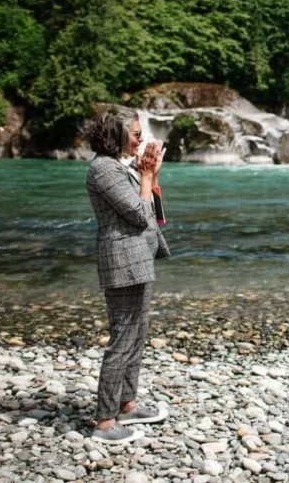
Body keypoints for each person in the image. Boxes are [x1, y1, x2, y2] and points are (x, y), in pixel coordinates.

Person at [85, 106, 171, 443]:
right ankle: (104, 422)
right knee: (122, 339)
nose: (140, 139)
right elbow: (138, 213)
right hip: (122, 261)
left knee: (137, 336)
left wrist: (154, 175)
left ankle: (127, 403)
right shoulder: (103, 170)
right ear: (117, 134)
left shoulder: (122, 167)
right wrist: (146, 176)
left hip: (139, 258)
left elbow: (155, 214)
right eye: (135, 133)